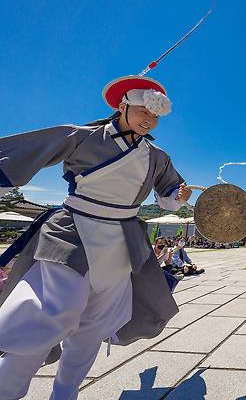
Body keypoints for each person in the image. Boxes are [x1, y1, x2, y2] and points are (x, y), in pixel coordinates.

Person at [0, 74, 192, 400]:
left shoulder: (157, 157)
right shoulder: (84, 137)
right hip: (72, 230)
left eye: (155, 114)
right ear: (122, 105)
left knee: (93, 328)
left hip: (122, 241)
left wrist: (180, 194)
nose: (149, 119)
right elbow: (28, 151)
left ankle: (65, 394)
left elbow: (168, 194)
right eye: (143, 110)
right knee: (50, 314)